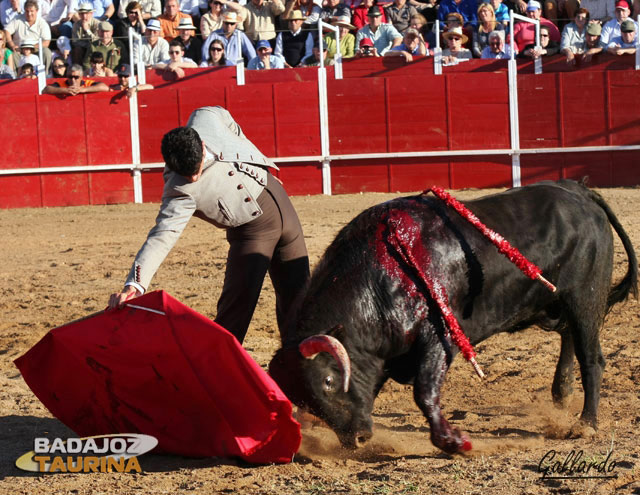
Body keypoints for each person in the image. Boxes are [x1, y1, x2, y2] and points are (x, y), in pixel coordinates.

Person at [107, 106, 310, 346]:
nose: (194, 178)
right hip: (251, 233)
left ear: (202, 146)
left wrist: (257, 162)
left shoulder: (206, 117)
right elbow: (162, 236)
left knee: (300, 297)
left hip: (281, 203)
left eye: (196, 169)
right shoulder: (179, 190)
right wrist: (135, 284)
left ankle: (300, 365)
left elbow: (233, 127)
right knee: (235, 310)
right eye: (187, 174)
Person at [4, 0, 51, 72]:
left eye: (32, 11)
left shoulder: (42, 23)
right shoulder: (17, 19)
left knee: (46, 52)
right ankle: (17, 77)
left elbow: (46, 42)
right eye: (27, 11)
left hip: (35, 50)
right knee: (12, 54)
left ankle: (45, 75)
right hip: (19, 50)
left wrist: (30, 48)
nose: (29, 14)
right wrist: (12, 45)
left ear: (36, 11)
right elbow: (7, 31)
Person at [42, 62, 109, 94]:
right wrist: (65, 90)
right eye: (70, 77)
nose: (73, 80)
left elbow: (105, 87)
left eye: (76, 77)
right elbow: (45, 90)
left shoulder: (87, 83)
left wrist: (82, 89)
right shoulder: (61, 84)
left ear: (81, 77)